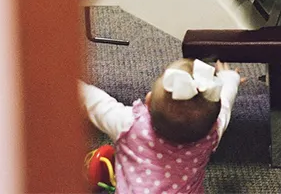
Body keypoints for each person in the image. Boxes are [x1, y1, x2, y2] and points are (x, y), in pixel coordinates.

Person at [80, 58, 242, 193]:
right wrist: (229, 78)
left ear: (148, 102)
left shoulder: (129, 125)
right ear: (215, 124)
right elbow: (226, 104)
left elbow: (94, 102)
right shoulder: (211, 135)